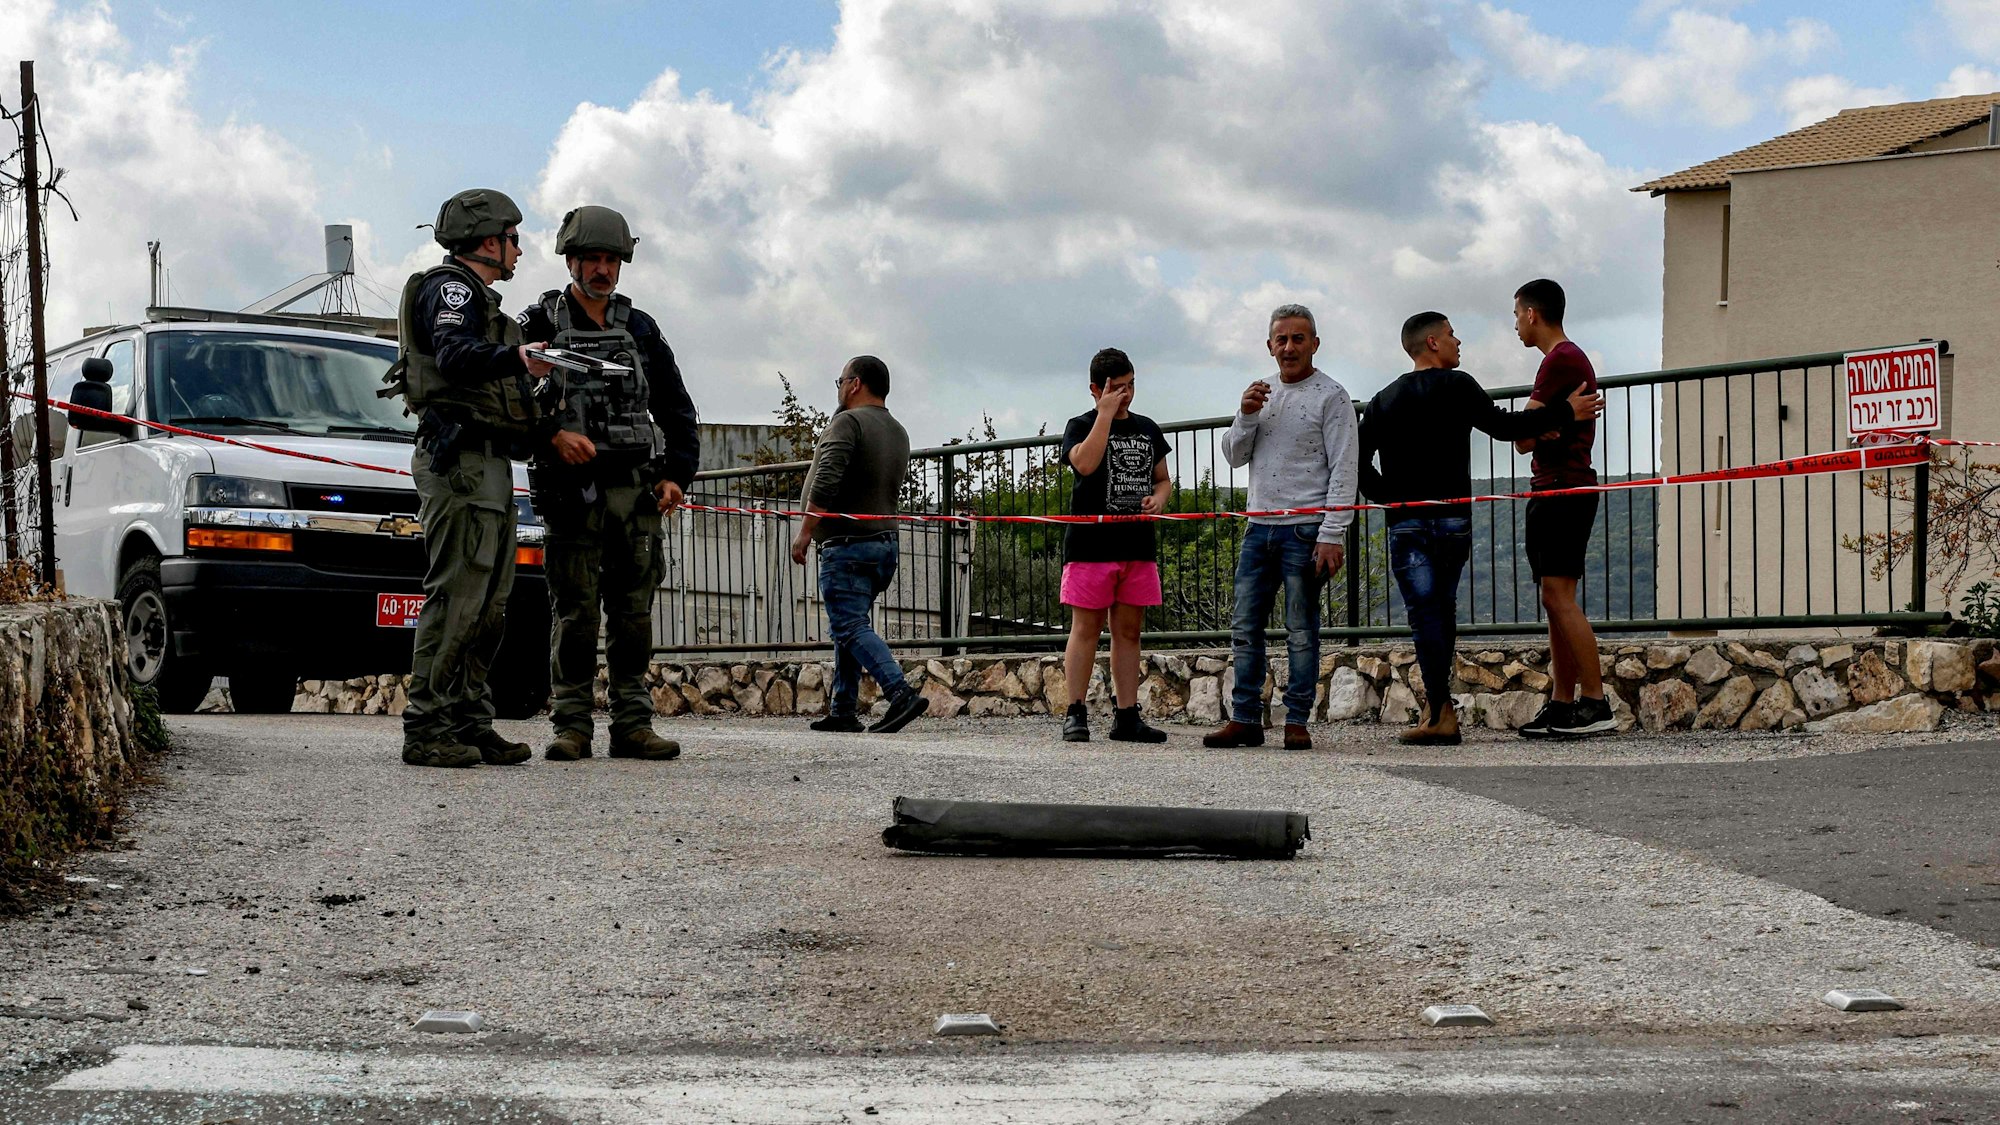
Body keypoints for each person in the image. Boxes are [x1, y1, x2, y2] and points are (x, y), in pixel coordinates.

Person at [1358, 312, 1603, 745]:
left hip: (1407, 522)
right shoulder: (1458, 386)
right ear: (1432, 343)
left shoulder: (1383, 400)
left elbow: (1357, 462)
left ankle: (1440, 711)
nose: (1459, 342)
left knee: (1423, 615)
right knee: (1444, 608)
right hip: (1453, 520)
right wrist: (1567, 411)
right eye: (1452, 334)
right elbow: (1507, 428)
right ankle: (1438, 711)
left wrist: (1390, 498)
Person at [518, 206, 701, 763]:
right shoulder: (539, 324)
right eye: (592, 259)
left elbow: (677, 408)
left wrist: (676, 475)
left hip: (634, 492)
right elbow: (509, 402)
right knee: (575, 616)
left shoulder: (640, 328)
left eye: (611, 260)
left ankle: (633, 724)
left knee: (633, 615)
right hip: (572, 493)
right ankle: (571, 724)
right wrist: (552, 436)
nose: (602, 269)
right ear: (571, 261)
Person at [385, 188, 554, 768]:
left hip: (488, 464)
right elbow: (454, 355)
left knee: (489, 603)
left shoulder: (480, 299)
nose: (518, 250)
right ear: (487, 241)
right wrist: (517, 358)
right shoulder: (452, 289)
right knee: (458, 597)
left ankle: (468, 721)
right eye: (512, 239)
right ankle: (427, 727)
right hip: (460, 463)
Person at [1204, 304, 1357, 752]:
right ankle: (1245, 719)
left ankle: (1296, 720)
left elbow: (1344, 467)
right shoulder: (1260, 393)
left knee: (1301, 630)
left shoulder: (1332, 396)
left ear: (1314, 344)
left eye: (1298, 338)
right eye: (1281, 339)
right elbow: (1234, 456)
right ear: (1269, 346)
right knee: (1244, 627)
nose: (1289, 347)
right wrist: (1245, 414)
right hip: (1258, 527)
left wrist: (1332, 533)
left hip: (1306, 529)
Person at [789, 356, 928, 734]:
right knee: (849, 624)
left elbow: (827, 478)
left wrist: (806, 530)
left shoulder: (848, 422)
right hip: (883, 543)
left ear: (855, 384)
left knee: (849, 625)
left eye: (840, 381)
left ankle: (900, 693)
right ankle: (843, 709)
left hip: (848, 546)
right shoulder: (898, 430)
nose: (838, 388)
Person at [1512, 278, 1615, 738]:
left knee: (1558, 597)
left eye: (1517, 314)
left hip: (1562, 488)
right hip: (1556, 486)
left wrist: (1541, 427)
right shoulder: (1565, 360)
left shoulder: (1559, 360)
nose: (1516, 324)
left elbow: (1521, 436)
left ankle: (1595, 701)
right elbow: (1528, 436)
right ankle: (1562, 703)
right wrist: (1549, 423)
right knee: (1554, 599)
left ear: (1532, 313)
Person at [1057, 347, 1172, 744]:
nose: (1126, 394)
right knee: (1086, 628)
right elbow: (1085, 464)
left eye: (1131, 385)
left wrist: (1160, 499)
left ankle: (1127, 715)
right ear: (1095, 389)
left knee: (1129, 631)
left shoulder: (1148, 428)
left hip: (1136, 545)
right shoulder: (1080, 425)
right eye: (1117, 388)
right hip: (1091, 547)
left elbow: (1162, 479)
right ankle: (1075, 711)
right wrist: (1104, 415)